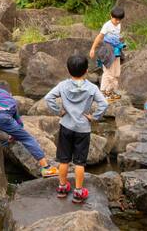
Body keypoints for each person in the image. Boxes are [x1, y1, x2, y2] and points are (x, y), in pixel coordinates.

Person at [44, 55, 108, 204]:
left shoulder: (63, 85)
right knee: (79, 162)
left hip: (66, 126)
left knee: (64, 159)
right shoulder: (92, 88)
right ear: (86, 71)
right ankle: (78, 192)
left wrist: (58, 111)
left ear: (68, 70)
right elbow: (104, 104)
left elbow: (48, 98)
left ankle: (62, 187)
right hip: (83, 129)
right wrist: (94, 117)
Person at [0, 81, 59, 178]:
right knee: (27, 139)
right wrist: (13, 135)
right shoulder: (12, 101)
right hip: (3, 119)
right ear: (10, 93)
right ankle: (46, 168)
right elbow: (19, 123)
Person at [88, 6, 126, 101]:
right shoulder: (107, 25)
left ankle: (111, 91)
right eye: (115, 19)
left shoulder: (119, 25)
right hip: (108, 50)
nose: (117, 21)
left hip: (116, 50)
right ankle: (103, 93)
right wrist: (93, 49)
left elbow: (117, 37)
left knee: (116, 73)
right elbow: (99, 37)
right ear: (111, 16)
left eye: (119, 20)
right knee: (108, 73)